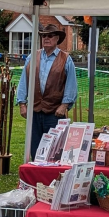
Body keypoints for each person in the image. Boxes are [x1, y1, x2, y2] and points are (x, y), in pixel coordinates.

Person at [16, 24, 77, 158]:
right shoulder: (32, 57)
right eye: (44, 36)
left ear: (56, 39)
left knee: (55, 149)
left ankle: (52, 176)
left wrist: (64, 105)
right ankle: (35, 176)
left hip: (55, 112)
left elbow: (71, 85)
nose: (46, 38)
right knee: (35, 148)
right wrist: (22, 103)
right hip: (34, 110)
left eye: (50, 36)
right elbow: (24, 80)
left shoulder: (66, 59)